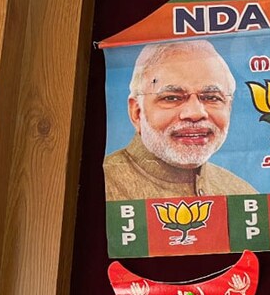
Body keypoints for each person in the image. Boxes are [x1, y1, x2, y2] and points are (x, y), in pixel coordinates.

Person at [104, 40, 256, 201]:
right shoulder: (101, 186)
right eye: (172, 98)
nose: (195, 113)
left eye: (212, 97)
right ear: (137, 112)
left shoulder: (242, 195)